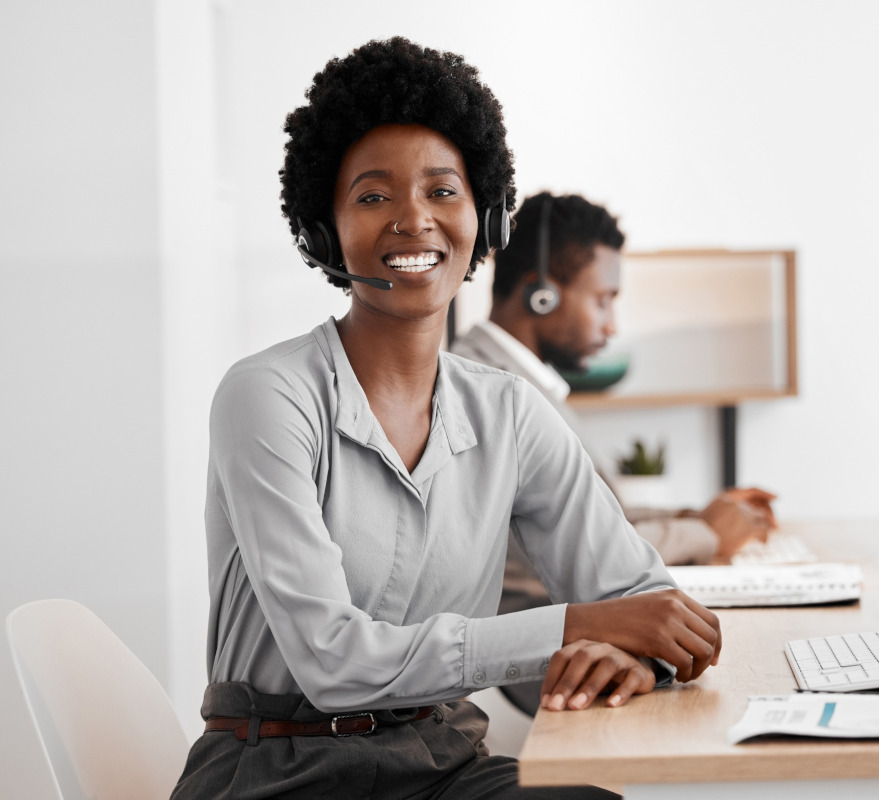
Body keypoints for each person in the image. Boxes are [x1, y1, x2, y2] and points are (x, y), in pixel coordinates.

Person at [170, 38, 721, 800]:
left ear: (486, 218)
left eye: (442, 191)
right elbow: (332, 661)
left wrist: (629, 652)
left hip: (439, 762)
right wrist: (574, 629)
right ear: (325, 230)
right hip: (278, 772)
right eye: (373, 197)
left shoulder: (510, 413)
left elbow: (646, 602)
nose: (413, 219)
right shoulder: (266, 396)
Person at [451, 192, 776, 715]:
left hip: (578, 628)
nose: (612, 325)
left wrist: (695, 516)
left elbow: (601, 515)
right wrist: (708, 533)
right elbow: (579, 548)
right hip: (551, 646)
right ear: (541, 295)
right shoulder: (482, 391)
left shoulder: (526, 384)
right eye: (603, 299)